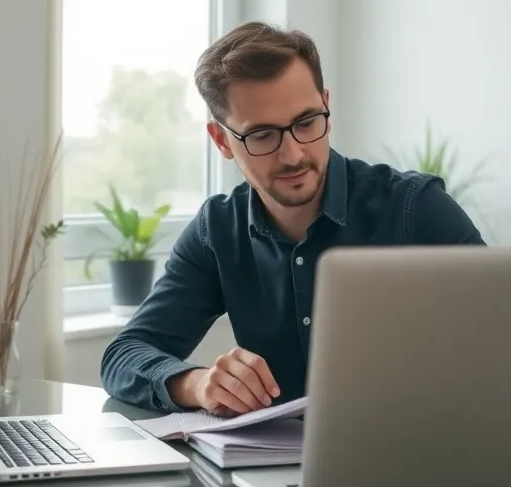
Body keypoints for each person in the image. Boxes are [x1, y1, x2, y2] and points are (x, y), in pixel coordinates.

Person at [100, 21, 485, 414]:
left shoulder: (415, 208)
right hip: (273, 471)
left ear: (327, 109)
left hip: (415, 456)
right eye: (263, 135)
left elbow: (509, 337)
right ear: (222, 141)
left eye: (306, 123)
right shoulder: (217, 231)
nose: (293, 154)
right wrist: (198, 384)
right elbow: (124, 356)